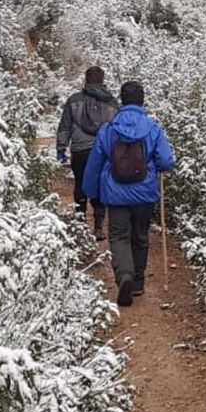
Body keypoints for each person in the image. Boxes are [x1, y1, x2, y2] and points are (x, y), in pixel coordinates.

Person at [83, 80, 175, 306]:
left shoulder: (108, 129)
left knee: (119, 236)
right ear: (142, 101)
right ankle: (137, 283)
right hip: (144, 193)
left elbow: (95, 162)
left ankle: (124, 274)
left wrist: (91, 191)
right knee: (140, 236)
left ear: (122, 101)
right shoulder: (152, 129)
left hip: (115, 194)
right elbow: (166, 161)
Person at [56, 66, 119, 238]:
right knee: (100, 186)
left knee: (80, 185)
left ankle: (80, 224)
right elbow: (117, 129)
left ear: (85, 80)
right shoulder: (112, 102)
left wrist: (61, 148)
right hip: (103, 151)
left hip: (80, 150)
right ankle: (98, 227)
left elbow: (65, 126)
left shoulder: (74, 100)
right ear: (103, 81)